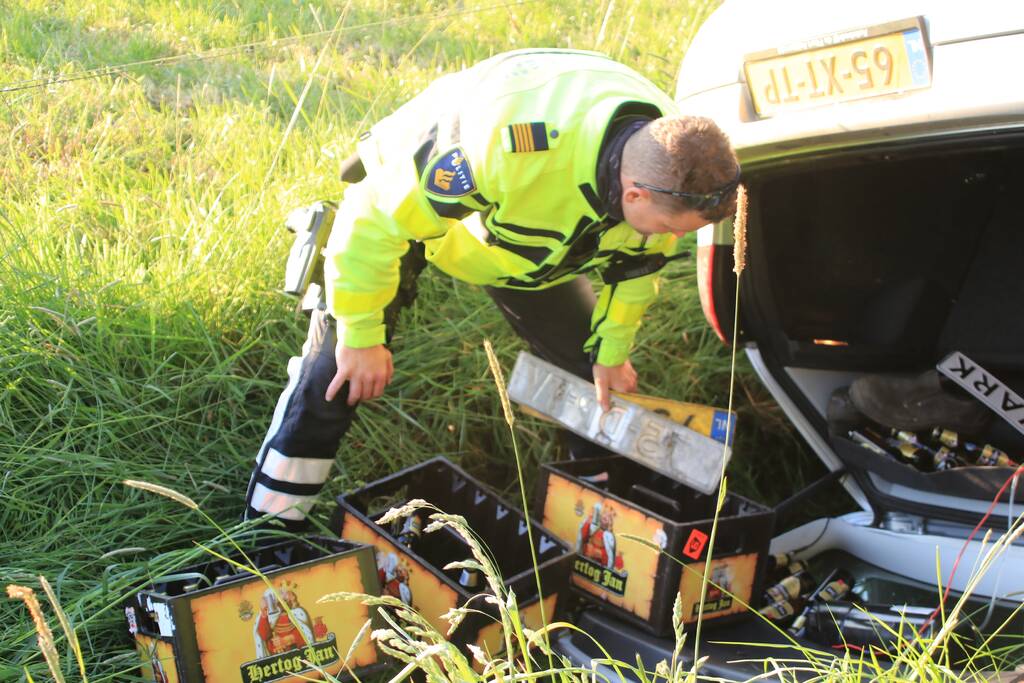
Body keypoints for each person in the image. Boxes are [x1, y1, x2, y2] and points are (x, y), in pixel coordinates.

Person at [243, 48, 739, 529]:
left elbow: (637, 269)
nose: (675, 241)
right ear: (634, 193)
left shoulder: (674, 164)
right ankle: (268, 534)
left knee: (591, 378)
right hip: (407, 209)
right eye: (672, 229)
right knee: (339, 372)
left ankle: (590, 521)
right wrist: (360, 332)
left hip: (527, 247)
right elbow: (371, 218)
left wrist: (610, 352)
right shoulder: (507, 146)